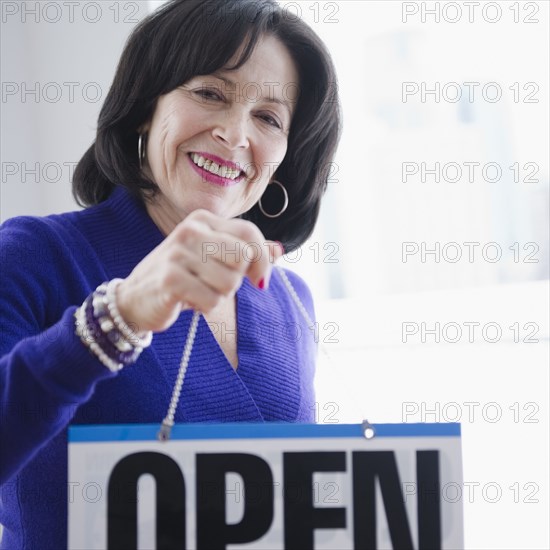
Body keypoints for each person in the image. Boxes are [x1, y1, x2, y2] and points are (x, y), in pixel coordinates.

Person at [0, 0, 341, 547]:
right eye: (210, 93)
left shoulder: (289, 300)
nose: (234, 134)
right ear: (145, 108)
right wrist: (119, 316)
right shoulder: (35, 254)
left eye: (268, 118)